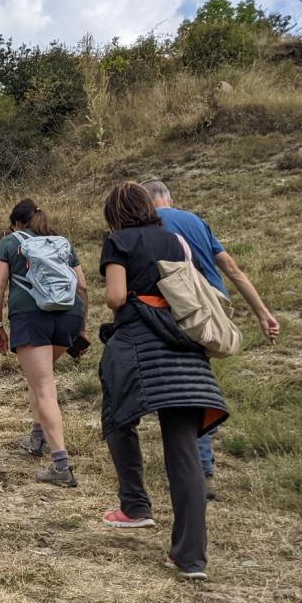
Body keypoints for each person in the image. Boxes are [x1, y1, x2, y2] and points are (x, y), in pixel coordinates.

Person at [99, 181, 229, 581]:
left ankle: (135, 505)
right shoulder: (175, 242)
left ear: (115, 214)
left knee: (119, 420)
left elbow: (117, 297)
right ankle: (190, 557)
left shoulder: (117, 241)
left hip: (138, 344)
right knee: (183, 450)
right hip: (182, 348)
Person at [142, 178, 279, 501]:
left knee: (180, 390)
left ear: (146, 201)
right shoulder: (195, 221)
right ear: (169, 197)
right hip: (215, 308)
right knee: (200, 381)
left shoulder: (150, 224)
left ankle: (195, 467)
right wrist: (262, 312)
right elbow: (231, 267)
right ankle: (202, 463)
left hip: (181, 309)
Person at [0, 199, 88, 488]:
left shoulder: (10, 243)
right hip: (69, 315)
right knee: (40, 378)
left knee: (43, 386)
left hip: (31, 317)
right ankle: (37, 438)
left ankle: (61, 465)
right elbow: (81, 285)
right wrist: (81, 325)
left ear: (17, 223)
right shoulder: (63, 243)